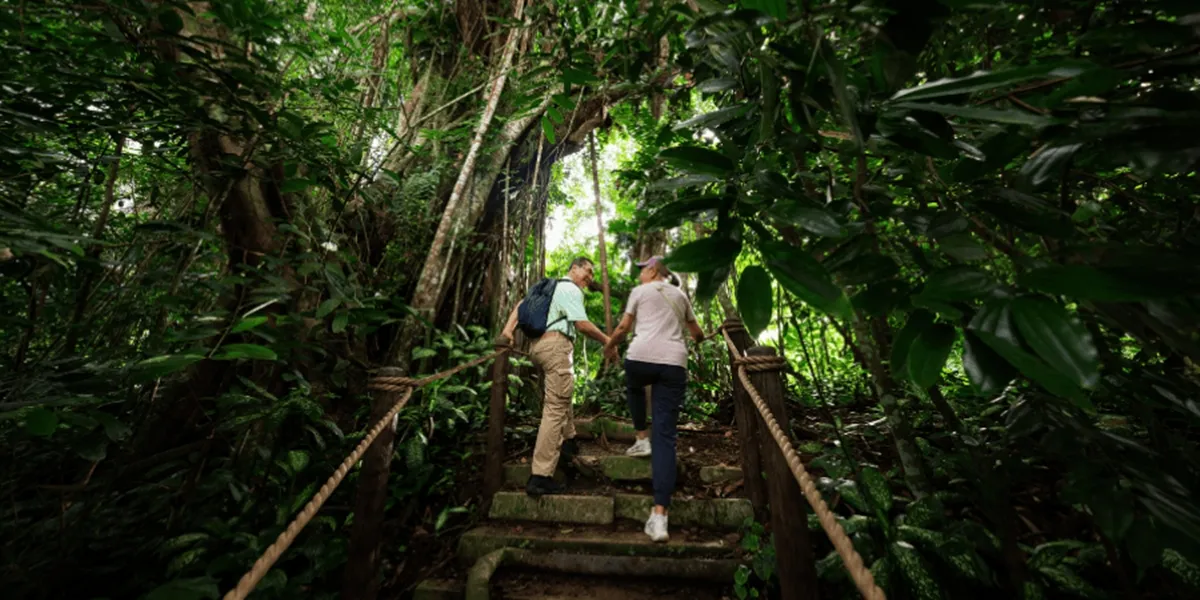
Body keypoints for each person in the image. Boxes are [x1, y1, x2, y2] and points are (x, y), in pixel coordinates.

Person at [602, 256, 706, 542]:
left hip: (640, 358)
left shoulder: (640, 293)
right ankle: (660, 516)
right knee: (666, 439)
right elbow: (696, 334)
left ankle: (640, 437)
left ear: (652, 271)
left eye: (642, 270)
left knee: (634, 385)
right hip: (674, 364)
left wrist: (608, 347)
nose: (639, 275)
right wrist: (701, 338)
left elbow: (623, 328)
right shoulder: (681, 295)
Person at [499, 257, 611, 497]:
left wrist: (508, 330)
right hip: (556, 346)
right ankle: (540, 476)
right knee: (555, 407)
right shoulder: (570, 288)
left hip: (537, 349)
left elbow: (520, 306)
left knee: (562, 392)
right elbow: (581, 324)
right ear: (574, 268)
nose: (589, 278)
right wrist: (607, 341)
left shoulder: (549, 288)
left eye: (592, 275)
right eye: (587, 271)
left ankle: (569, 441)